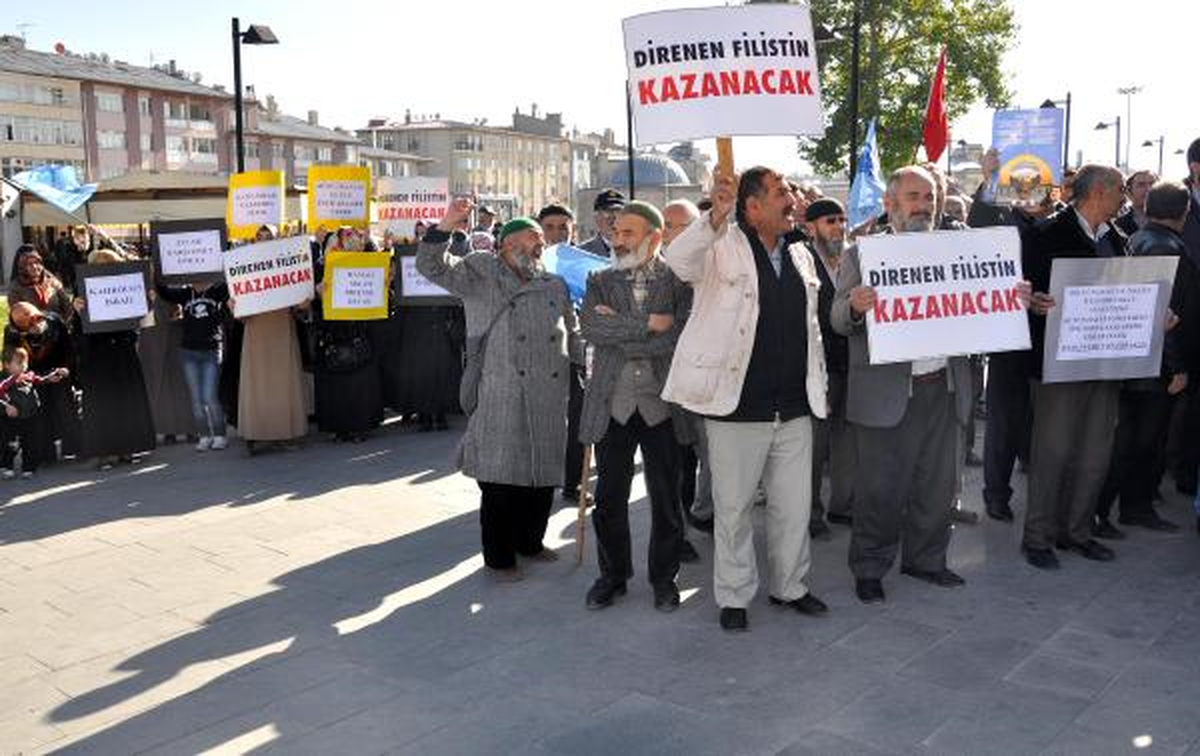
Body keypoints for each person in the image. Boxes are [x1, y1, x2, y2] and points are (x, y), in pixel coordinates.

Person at [664, 167, 829, 632]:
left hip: (795, 406)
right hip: (738, 407)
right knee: (733, 510)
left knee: (793, 507)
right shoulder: (721, 244)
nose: (792, 199)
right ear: (752, 206)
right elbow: (677, 262)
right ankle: (734, 596)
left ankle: (790, 588)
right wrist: (713, 217)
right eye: (781, 193)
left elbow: (812, 329)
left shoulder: (801, 254)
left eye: (791, 191)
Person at [832, 166, 978, 604]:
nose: (924, 205)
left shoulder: (961, 250)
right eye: (914, 196)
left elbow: (985, 302)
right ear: (890, 204)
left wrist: (1012, 299)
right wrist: (856, 307)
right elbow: (838, 319)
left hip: (944, 387)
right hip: (886, 395)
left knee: (937, 485)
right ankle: (871, 567)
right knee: (880, 489)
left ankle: (927, 560)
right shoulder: (863, 254)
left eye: (930, 196)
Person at [417, 200, 582, 582]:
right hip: (500, 389)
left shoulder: (552, 281)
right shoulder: (480, 271)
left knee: (542, 473)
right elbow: (431, 266)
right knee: (501, 478)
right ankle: (499, 557)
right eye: (528, 243)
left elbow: (571, 329)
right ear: (504, 246)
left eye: (540, 245)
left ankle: (531, 542)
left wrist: (585, 362)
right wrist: (445, 225)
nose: (536, 249)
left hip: (548, 392)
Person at [580, 201, 689, 612]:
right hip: (613, 403)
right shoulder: (600, 279)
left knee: (666, 497)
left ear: (654, 237)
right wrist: (646, 324)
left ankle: (665, 578)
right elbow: (591, 327)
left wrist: (619, 328)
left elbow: (676, 337)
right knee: (608, 497)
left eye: (628, 232)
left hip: (662, 404)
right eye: (616, 232)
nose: (618, 239)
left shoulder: (678, 282)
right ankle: (612, 575)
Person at [1020, 164, 1128, 570]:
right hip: (1057, 362)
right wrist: (1033, 303)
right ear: (1099, 192)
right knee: (1052, 451)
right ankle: (1039, 537)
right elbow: (1021, 290)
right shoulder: (1045, 233)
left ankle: (1078, 531)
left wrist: (1157, 314)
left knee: (1095, 451)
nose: (1124, 198)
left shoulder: (1118, 238)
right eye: (1120, 190)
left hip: (1105, 361)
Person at [1094, 182, 1196, 536]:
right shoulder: (1165, 248)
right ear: (1183, 212)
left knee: (1135, 441)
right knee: (1139, 443)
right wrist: (1177, 367)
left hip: (1140, 359)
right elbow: (1162, 314)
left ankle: (1125, 508)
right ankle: (1114, 510)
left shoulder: (1136, 239)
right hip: (1155, 366)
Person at [74, 248, 156, 469]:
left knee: (127, 402)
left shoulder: (128, 282)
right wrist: (78, 309)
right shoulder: (83, 288)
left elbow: (143, 320)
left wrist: (148, 302)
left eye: (111, 264)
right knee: (103, 404)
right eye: (102, 264)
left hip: (123, 352)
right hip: (98, 356)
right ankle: (104, 452)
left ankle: (127, 448)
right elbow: (79, 328)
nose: (107, 268)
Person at [662, 199, 713, 535]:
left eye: (677, 226)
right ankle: (676, 531)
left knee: (711, 458)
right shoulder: (653, 271)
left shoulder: (713, 267)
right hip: (666, 385)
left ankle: (706, 513)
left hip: (709, 382)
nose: (667, 233)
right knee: (675, 465)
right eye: (665, 225)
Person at [235, 225, 309, 454]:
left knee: (283, 382)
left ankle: (285, 434)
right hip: (255, 330)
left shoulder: (288, 262)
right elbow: (238, 303)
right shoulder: (243, 265)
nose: (264, 240)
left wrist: (304, 301)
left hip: (281, 329)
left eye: (269, 236)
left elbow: (300, 305)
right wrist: (234, 305)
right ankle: (254, 434)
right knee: (256, 384)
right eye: (260, 236)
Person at [804, 198, 855, 535]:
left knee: (847, 443)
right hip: (818, 370)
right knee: (814, 448)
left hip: (852, 366)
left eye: (841, 220)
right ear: (811, 228)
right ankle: (810, 514)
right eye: (829, 221)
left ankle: (844, 506)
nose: (837, 227)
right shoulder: (802, 261)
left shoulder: (854, 259)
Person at [312, 228, 385, 443]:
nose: (336, 247)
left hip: (359, 333)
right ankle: (338, 427)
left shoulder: (366, 264)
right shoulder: (321, 268)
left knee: (359, 383)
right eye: (334, 244)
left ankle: (359, 426)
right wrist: (317, 293)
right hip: (332, 334)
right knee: (335, 384)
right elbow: (311, 304)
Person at [393, 227, 466, 432]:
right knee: (421, 373)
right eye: (420, 234)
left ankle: (440, 414)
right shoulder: (408, 259)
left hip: (444, 324)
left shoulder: (451, 260)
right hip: (418, 326)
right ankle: (425, 414)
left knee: (443, 372)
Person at [537, 203, 587, 501]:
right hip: (540, 355)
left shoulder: (583, 265)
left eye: (562, 227)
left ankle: (573, 483)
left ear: (573, 230)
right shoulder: (527, 264)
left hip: (577, 354)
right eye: (550, 227)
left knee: (578, 421)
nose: (556, 234)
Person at [156, 280, 231, 450]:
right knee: (196, 399)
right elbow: (163, 290)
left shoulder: (218, 290)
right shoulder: (184, 292)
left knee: (209, 396)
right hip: (188, 352)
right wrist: (156, 269)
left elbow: (233, 282)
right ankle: (204, 436)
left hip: (211, 350)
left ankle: (220, 435)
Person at [4, 302, 81, 461]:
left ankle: (75, 447)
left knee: (66, 407)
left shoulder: (54, 320)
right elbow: (9, 359)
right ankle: (45, 454)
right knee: (39, 412)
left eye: (32, 317)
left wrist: (67, 370)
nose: (32, 323)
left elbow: (68, 348)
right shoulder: (12, 332)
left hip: (57, 370)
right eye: (25, 323)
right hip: (31, 375)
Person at [0, 346, 69, 479]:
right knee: (11, 443)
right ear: (7, 365)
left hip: (30, 416)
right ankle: (7, 466)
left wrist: (52, 377)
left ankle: (29, 467)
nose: (23, 366)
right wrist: (6, 406)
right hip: (12, 420)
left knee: (30, 443)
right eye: (19, 363)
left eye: (25, 362)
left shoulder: (28, 376)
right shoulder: (5, 380)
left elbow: (41, 380)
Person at [8, 245, 75, 324]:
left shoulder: (53, 281)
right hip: (31, 329)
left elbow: (67, 306)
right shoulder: (16, 287)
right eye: (29, 264)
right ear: (22, 267)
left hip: (58, 327)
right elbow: (18, 315)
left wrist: (64, 324)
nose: (35, 267)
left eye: (37, 263)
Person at [580, 188, 625, 258]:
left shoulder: (636, 250)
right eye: (607, 212)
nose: (613, 218)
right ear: (596, 217)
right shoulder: (582, 253)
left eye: (618, 212)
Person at [1115, 170, 1157, 236]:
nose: (1148, 189)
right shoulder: (1119, 225)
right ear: (1129, 192)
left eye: (1152, 184)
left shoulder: (1168, 221)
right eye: (1141, 185)